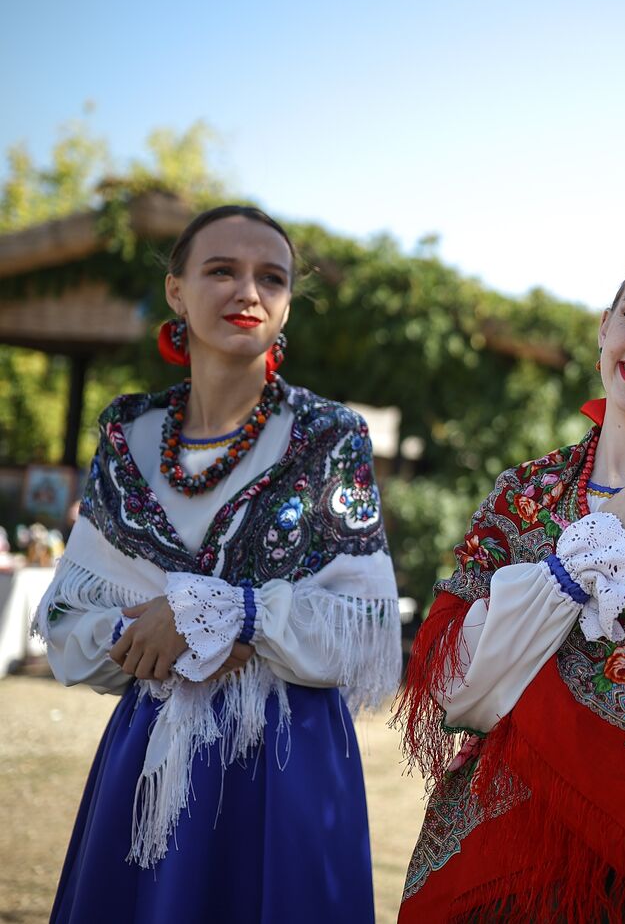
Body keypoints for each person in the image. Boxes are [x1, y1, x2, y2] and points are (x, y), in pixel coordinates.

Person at [34, 205, 400, 923]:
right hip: (151, 749)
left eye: (272, 276)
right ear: (176, 289)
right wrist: (152, 636)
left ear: (288, 301)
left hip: (289, 759)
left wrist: (235, 616)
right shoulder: (128, 433)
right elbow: (69, 617)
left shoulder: (329, 437)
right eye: (222, 270)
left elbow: (366, 625)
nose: (248, 291)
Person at [396, 251, 625, 923]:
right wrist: (580, 563)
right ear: (604, 327)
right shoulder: (525, 492)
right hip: (494, 851)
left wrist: (528, 631)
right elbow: (450, 678)